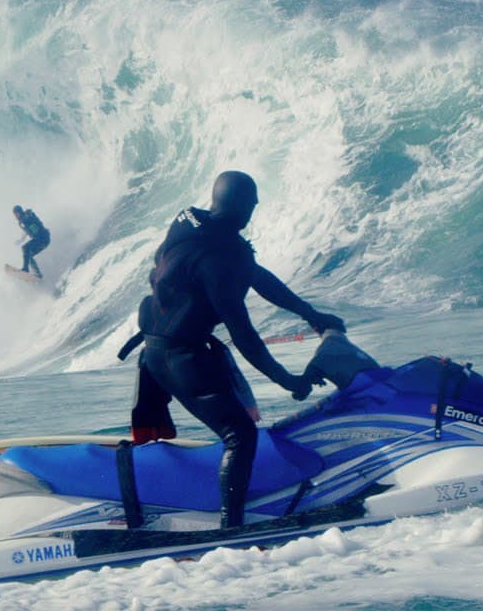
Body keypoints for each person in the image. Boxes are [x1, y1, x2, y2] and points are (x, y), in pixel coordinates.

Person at [121, 170, 344, 529]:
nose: (255, 209)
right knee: (240, 434)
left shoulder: (189, 220)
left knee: (190, 431)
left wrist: (310, 314)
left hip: (153, 351)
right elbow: (244, 335)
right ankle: (232, 527)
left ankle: (159, 492)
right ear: (245, 206)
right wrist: (287, 380)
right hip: (180, 358)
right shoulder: (224, 256)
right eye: (253, 203)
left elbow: (255, 275)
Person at [12, 205, 51, 278]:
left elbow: (33, 221)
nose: (15, 216)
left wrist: (29, 215)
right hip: (41, 240)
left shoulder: (27, 216)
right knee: (28, 255)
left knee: (25, 248)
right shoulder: (22, 222)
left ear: (19, 212)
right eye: (14, 215)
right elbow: (27, 231)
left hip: (43, 238)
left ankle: (25, 269)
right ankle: (38, 274)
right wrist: (21, 240)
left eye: (16, 214)